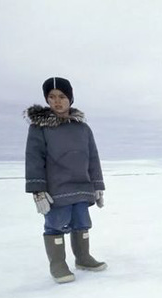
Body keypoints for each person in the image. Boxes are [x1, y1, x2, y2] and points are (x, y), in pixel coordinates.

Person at [25, 77, 107, 284]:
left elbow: (93, 158)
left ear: (70, 98)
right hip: (56, 189)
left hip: (82, 186)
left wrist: (97, 186)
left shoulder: (82, 128)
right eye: (51, 97)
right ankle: (58, 264)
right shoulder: (39, 128)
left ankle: (83, 258)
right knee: (56, 224)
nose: (57, 101)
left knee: (82, 223)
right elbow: (34, 159)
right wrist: (38, 190)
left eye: (62, 96)